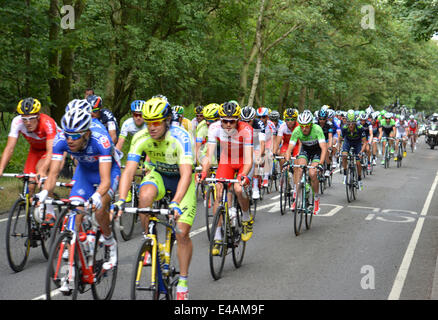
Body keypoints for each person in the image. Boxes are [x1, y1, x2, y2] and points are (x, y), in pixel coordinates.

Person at [113, 97, 196, 300]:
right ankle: (148, 239)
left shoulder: (180, 136)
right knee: (144, 195)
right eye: (149, 122)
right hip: (159, 175)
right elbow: (129, 171)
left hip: (181, 181)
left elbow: (186, 174)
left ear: (167, 120)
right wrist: (121, 200)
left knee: (182, 232)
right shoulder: (141, 137)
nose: (152, 127)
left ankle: (183, 282)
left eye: (157, 122)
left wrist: (176, 202)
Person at [35, 106, 121, 292]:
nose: (69, 140)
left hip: (107, 172)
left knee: (99, 210)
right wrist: (44, 193)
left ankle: (108, 240)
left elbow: (105, 180)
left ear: (86, 133)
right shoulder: (61, 140)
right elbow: (54, 173)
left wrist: (98, 196)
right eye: (67, 135)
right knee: (75, 214)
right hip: (84, 172)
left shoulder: (101, 141)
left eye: (75, 136)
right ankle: (69, 271)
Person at [200, 101, 254, 246]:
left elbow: (249, 160)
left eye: (232, 121)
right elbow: (209, 155)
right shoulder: (214, 128)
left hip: (243, 160)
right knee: (218, 192)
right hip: (227, 160)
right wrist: (204, 171)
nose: (228, 124)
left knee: (238, 188)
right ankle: (217, 235)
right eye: (225, 121)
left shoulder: (246, 130)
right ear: (220, 120)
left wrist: (243, 175)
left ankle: (246, 217)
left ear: (238, 120)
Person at [0, 98, 59, 224]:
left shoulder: (48, 123)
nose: (27, 122)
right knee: (30, 186)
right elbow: (10, 148)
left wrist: (42, 170)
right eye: (24, 118)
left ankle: (49, 212)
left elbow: (50, 151)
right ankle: (35, 221)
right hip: (35, 150)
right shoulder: (17, 122)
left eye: (31, 118)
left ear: (38, 116)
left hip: (54, 149)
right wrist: (0, 168)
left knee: (41, 173)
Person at [285, 110, 327, 215]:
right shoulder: (297, 130)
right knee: (299, 169)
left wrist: (321, 164)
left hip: (317, 151)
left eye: (307, 126)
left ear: (311, 125)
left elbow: (324, 148)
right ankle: (297, 198)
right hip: (305, 150)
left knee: (313, 173)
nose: (304, 128)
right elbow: (289, 149)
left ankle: (316, 199)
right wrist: (287, 161)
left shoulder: (317, 129)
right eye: (302, 126)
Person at [240, 106, 266, 199]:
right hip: (245, 144)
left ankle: (255, 187)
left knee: (255, 161)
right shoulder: (238, 124)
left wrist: (259, 155)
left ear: (253, 119)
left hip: (256, 144)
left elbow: (262, 143)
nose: (246, 124)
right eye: (244, 121)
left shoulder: (259, 124)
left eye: (249, 121)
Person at [340, 110, 367, 190]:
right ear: (346, 122)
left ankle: (359, 179)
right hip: (347, 142)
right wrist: (339, 151)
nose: (351, 125)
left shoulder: (360, 128)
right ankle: (345, 174)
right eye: (349, 123)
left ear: (355, 122)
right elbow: (339, 139)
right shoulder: (344, 128)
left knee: (358, 163)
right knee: (344, 156)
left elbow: (365, 142)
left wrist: (361, 152)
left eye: (353, 123)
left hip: (357, 143)